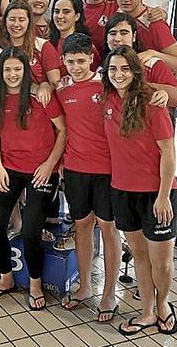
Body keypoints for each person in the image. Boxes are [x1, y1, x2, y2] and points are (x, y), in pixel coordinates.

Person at [102, 45, 177, 336]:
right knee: (139, 256)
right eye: (113, 69)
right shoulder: (108, 99)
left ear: (135, 72)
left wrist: (163, 196)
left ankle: (164, 304)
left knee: (161, 261)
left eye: (124, 68)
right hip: (122, 190)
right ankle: (147, 311)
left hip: (155, 194)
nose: (118, 74)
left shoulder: (151, 102)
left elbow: (168, 152)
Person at [0, 47, 66, 311]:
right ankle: (6, 278)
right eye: (7, 69)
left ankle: (35, 284)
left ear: (25, 70)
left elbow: (62, 130)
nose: (12, 74)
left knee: (31, 231)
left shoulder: (40, 95)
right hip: (10, 168)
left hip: (43, 169)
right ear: (0, 72)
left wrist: (50, 164)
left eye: (17, 69)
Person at [54, 33, 120, 322]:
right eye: (70, 62)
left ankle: (108, 292)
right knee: (82, 225)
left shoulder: (107, 87)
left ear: (92, 59)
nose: (76, 67)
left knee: (108, 228)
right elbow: (60, 129)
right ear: (63, 61)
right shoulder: (62, 90)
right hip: (76, 169)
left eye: (81, 61)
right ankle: (84, 287)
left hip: (107, 170)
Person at [105, 13, 177, 108]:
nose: (117, 38)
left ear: (134, 36)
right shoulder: (101, 68)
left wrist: (139, 87)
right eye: (112, 33)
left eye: (124, 33)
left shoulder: (152, 63)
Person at [0, 0, 61, 103]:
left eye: (21, 19)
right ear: (5, 21)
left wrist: (45, 86)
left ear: (29, 22)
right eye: (12, 19)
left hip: (37, 104)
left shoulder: (43, 46)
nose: (16, 24)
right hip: (7, 104)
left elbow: (55, 82)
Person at [48, 0, 101, 76]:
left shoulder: (87, 46)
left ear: (77, 16)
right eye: (57, 11)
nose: (60, 16)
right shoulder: (48, 44)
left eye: (66, 12)